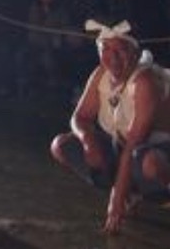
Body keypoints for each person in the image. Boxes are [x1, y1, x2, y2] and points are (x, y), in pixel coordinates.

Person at [49, 20, 170, 234]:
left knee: (149, 164)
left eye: (121, 50)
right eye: (106, 49)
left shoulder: (144, 82)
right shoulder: (100, 74)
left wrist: (116, 198)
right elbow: (80, 117)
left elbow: (134, 144)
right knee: (61, 145)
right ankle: (129, 193)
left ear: (134, 53)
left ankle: (153, 195)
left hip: (154, 151)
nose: (113, 57)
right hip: (125, 151)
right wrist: (87, 140)